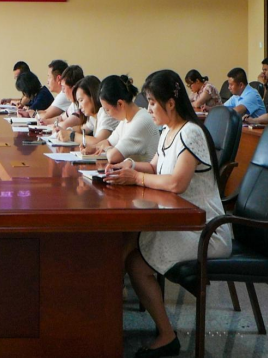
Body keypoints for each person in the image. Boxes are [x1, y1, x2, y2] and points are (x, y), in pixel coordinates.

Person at [104, 70, 232, 359]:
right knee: (128, 243)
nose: (148, 109)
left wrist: (136, 179)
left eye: (152, 102)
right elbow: (153, 167)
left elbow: (176, 183)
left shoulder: (191, 132)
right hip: (181, 222)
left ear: (171, 103)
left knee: (136, 260)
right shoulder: (167, 131)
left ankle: (166, 335)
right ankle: (104, 316)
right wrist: (128, 167)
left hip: (206, 230)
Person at [82, 75, 160, 164]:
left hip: (142, 172)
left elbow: (113, 157)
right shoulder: (126, 119)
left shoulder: (142, 121)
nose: (107, 114)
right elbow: (108, 142)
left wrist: (106, 148)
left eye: (107, 110)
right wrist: (93, 148)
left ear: (120, 104)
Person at [74, 76, 119, 147]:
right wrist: (68, 130)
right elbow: (81, 129)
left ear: (92, 96)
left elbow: (98, 142)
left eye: (81, 100)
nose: (79, 107)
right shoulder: (94, 115)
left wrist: (72, 136)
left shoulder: (106, 113)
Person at [54, 65, 86, 142]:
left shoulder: (81, 105)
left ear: (74, 88)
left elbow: (64, 126)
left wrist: (56, 125)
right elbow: (61, 118)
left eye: (64, 88)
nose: (63, 91)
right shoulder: (74, 104)